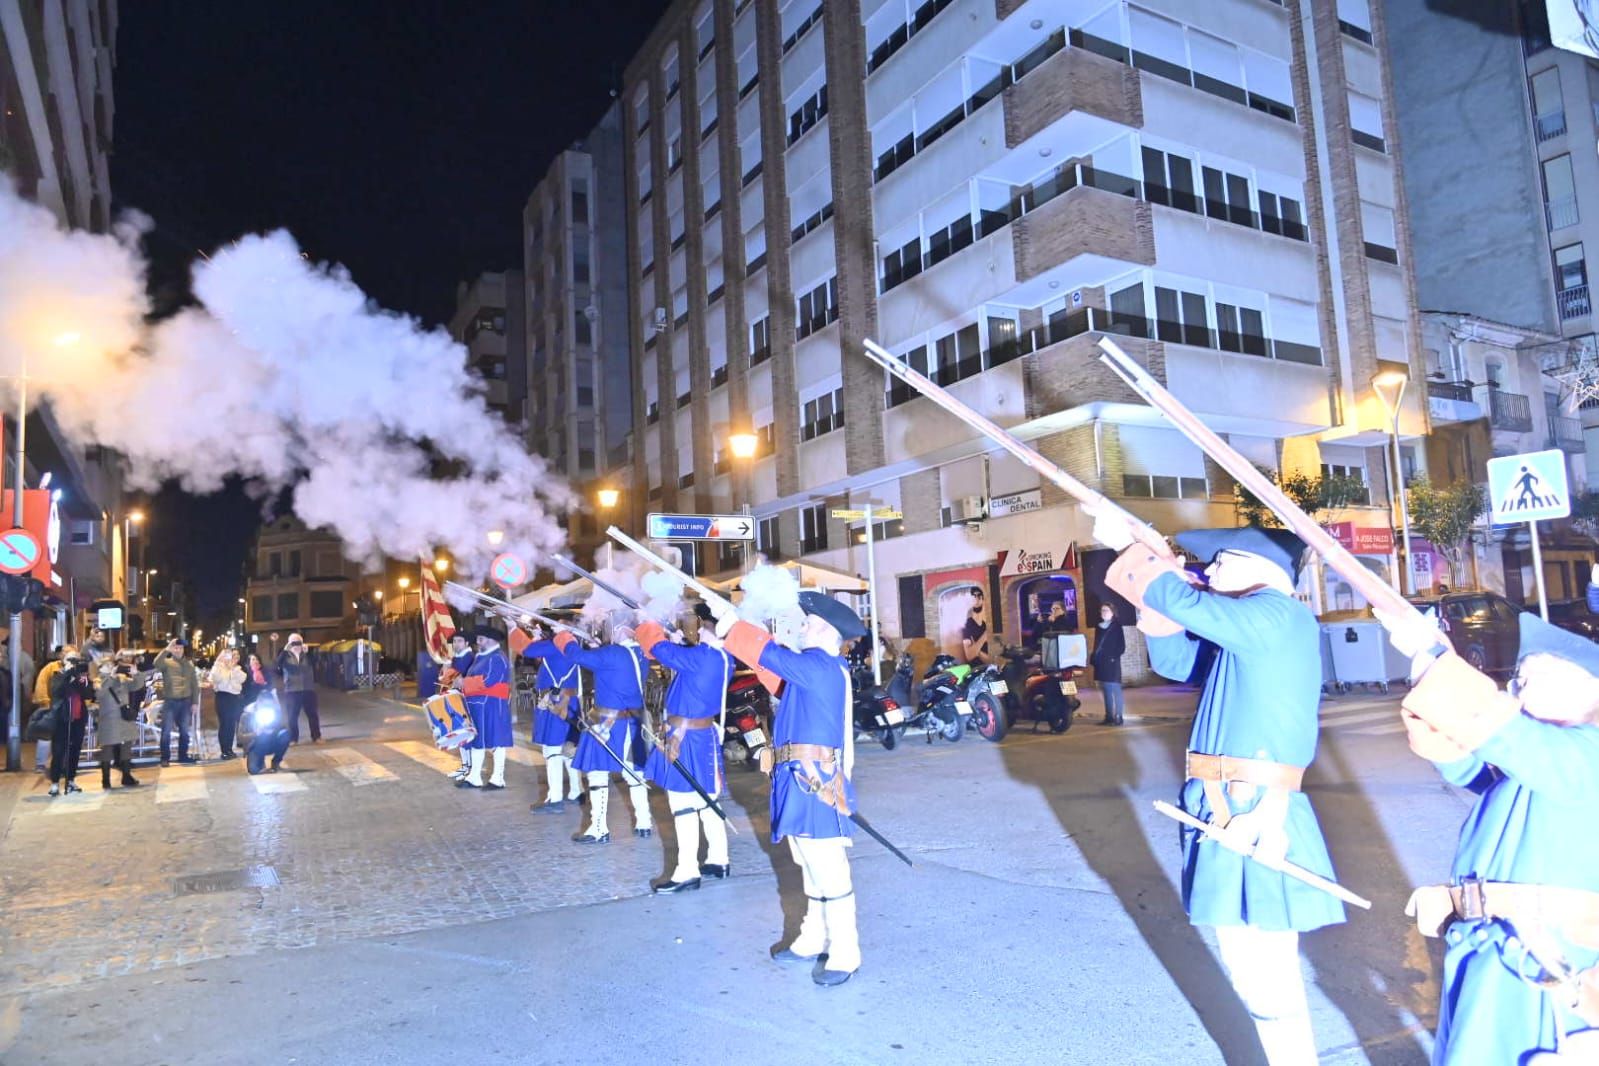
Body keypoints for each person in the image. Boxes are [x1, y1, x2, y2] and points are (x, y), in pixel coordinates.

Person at [1096, 517, 1343, 1064]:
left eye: (1222, 561)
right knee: (1246, 960)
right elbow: (1177, 658)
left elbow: (1190, 606)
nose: (1209, 569)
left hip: (1255, 809)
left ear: (1263, 568)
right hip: (1223, 804)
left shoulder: (1278, 615)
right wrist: (1163, 582)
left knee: (1267, 966)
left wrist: (1141, 550)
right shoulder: (1249, 630)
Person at [1384, 608, 1599, 1062]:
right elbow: (1461, 757)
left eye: (1537, 676)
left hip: (1542, 960)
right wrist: (1426, 665)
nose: (1518, 689)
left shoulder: (1586, 752)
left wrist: (1434, 654)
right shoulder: (1544, 757)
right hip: (1499, 948)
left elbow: (1503, 736)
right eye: (1519, 678)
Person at [716, 590, 868, 987]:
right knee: (808, 865)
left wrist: (735, 626)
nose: (802, 627)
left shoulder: (819, 665)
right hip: (800, 779)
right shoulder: (816, 669)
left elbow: (771, 657)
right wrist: (736, 628)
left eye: (808, 623)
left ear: (826, 631)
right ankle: (812, 937)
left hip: (814, 783)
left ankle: (846, 950)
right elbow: (778, 676)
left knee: (829, 870)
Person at [636, 614, 736, 894]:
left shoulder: (702, 657)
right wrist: (681, 646)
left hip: (686, 739)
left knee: (683, 805)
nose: (698, 631)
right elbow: (687, 669)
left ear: (709, 630)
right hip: (702, 736)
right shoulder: (723, 657)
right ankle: (719, 859)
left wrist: (649, 624)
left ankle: (687, 871)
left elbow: (658, 649)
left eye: (702, 627)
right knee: (708, 801)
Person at [555, 612, 653, 844]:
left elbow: (576, 655)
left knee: (597, 773)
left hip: (608, 723)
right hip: (635, 720)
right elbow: (611, 666)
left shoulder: (611, 653)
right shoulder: (640, 653)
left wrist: (563, 636)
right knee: (635, 774)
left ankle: (598, 828)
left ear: (617, 629)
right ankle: (644, 822)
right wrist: (597, 648)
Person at [509, 625, 586, 813]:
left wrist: (512, 627)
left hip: (555, 702)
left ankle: (555, 799)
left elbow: (526, 649)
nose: (552, 627)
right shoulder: (570, 643)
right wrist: (538, 637)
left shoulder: (556, 643)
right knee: (568, 748)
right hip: (569, 701)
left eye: (557, 624)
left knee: (552, 751)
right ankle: (577, 791)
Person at [457, 624, 513, 790]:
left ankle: (498, 778)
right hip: (478, 705)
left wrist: (464, 682)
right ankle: (475, 777)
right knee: (477, 741)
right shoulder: (481, 657)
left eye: (480, 639)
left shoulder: (498, 657)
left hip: (493, 705)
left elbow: (489, 680)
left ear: (490, 640)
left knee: (496, 741)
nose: (477, 642)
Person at [47, 649, 94, 795]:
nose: (73, 662)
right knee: (59, 751)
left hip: (78, 718)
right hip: (62, 719)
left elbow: (88, 693)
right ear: (63, 660)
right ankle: (55, 782)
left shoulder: (81, 675)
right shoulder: (58, 674)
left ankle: (71, 779)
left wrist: (83, 677)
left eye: (75, 659)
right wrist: (66, 673)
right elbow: (56, 691)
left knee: (74, 751)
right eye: (70, 659)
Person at [94, 655, 145, 789]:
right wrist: (111, 677)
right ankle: (105, 779)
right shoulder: (98, 680)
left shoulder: (121, 679)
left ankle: (126, 776)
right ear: (101, 668)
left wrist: (136, 674)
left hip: (123, 718)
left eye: (112, 665)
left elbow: (136, 685)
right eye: (108, 666)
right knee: (107, 749)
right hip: (109, 720)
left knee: (126, 747)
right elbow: (100, 694)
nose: (112, 668)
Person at [152, 638, 202, 767]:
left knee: (184, 731)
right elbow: (156, 663)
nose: (178, 650)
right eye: (176, 648)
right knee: (166, 730)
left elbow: (194, 685)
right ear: (172, 649)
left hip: (185, 701)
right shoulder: (166, 663)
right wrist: (166, 650)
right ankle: (165, 758)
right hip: (170, 701)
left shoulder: (189, 665)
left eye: (180, 648)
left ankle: (183, 755)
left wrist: (195, 702)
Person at [275, 632, 321, 743]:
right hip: (292, 690)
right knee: (292, 716)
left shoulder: (307, 655)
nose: (296, 645)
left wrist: (308, 652)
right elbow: (277, 665)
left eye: (298, 642)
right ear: (289, 643)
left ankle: (316, 737)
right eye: (293, 642)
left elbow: (316, 662)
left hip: (308, 689)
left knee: (312, 714)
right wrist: (285, 650)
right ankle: (293, 739)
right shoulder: (285, 655)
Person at [442, 633, 475, 782]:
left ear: (466, 642)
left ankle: (470, 768)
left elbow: (459, 676)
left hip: (466, 698)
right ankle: (465, 765)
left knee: (466, 733)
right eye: (454, 641)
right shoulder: (456, 657)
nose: (456, 644)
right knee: (459, 733)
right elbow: (446, 678)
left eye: (459, 641)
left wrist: (448, 670)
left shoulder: (468, 657)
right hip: (456, 697)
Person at [1090, 603, 1126, 726]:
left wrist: (1113, 658)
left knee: (1115, 689)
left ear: (1113, 612)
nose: (1104, 612)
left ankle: (1119, 716)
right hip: (1101, 663)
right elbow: (1096, 644)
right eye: (1102, 610)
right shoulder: (1098, 627)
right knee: (1105, 690)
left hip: (1112, 663)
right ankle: (1109, 716)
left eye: (1106, 610)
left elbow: (1121, 646)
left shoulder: (1116, 627)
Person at [208, 648, 247, 760]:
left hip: (234, 698)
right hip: (223, 697)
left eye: (236, 657)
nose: (232, 659)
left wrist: (232, 669)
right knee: (224, 723)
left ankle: (229, 749)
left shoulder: (237, 669)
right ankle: (224, 751)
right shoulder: (218, 667)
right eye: (229, 656)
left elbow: (242, 679)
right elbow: (217, 679)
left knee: (231, 724)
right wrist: (218, 663)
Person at [32, 645, 64, 773]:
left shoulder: (76, 669)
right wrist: (44, 701)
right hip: (50, 706)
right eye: (64, 653)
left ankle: (60, 762)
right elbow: (41, 684)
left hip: (66, 707)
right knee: (45, 735)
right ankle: (40, 763)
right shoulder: (49, 668)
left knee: (61, 737)